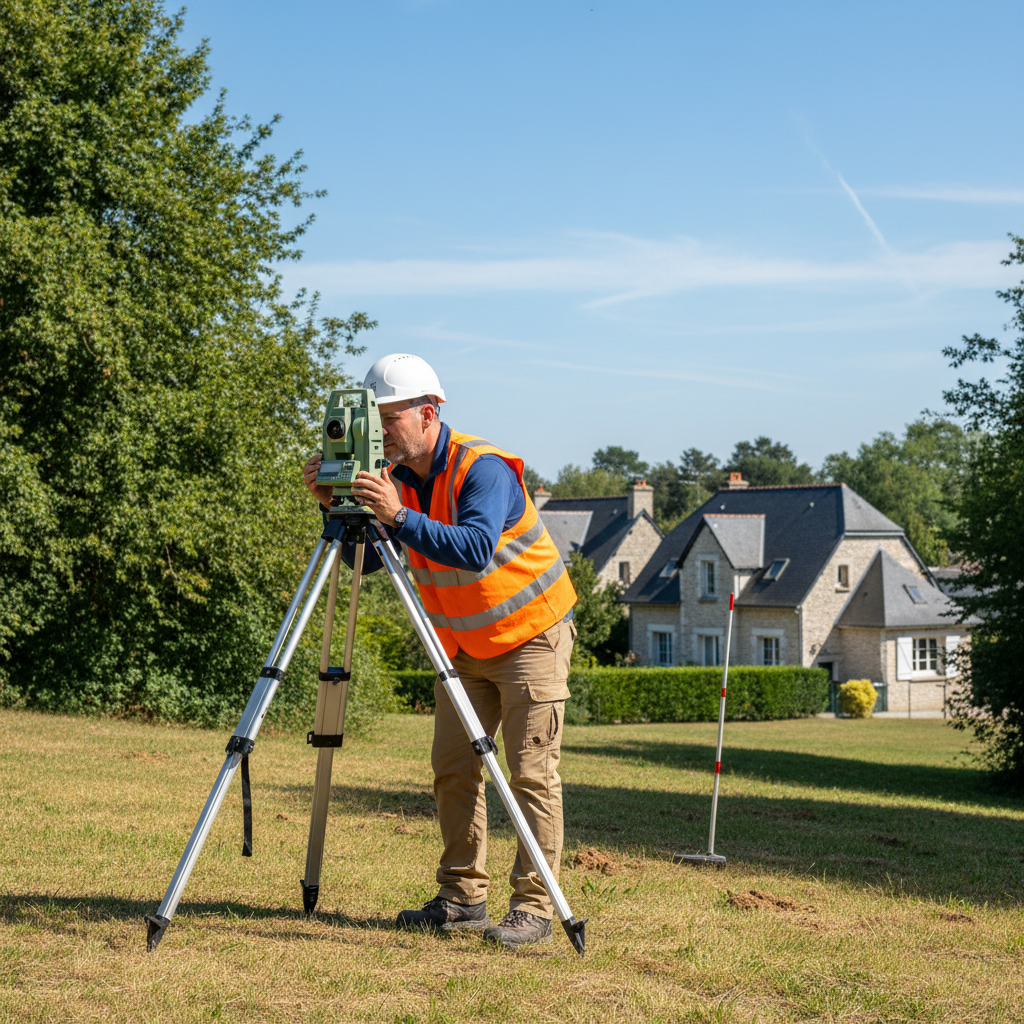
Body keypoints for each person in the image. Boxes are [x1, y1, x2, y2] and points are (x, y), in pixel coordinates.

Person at [302, 353, 577, 950]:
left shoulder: (484, 471)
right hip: (460, 648)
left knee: (531, 775)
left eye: (388, 418)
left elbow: (475, 548)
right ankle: (461, 898)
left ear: (427, 414)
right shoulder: (392, 478)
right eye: (371, 420)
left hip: (531, 635)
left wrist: (397, 514)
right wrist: (335, 507)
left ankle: (534, 908)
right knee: (454, 771)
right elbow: (368, 561)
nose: (377, 433)